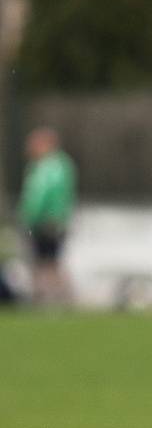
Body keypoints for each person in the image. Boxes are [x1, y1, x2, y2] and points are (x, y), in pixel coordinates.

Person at [18, 127, 77, 305]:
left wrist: (29, 216)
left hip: (47, 222)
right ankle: (52, 298)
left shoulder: (50, 166)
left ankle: (54, 299)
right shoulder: (53, 165)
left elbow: (39, 196)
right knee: (46, 261)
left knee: (47, 262)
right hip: (51, 221)